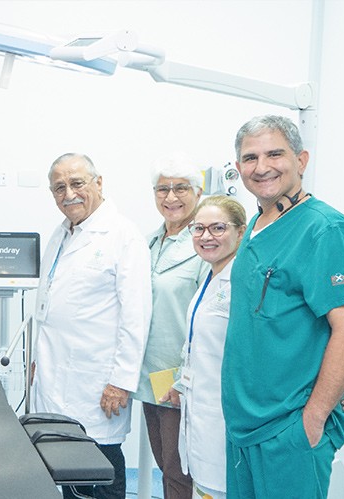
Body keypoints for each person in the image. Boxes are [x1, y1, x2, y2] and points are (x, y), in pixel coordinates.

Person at [221, 115, 344, 498]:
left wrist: (313, 419)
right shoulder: (255, 227)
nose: (261, 167)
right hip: (244, 426)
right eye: (250, 158)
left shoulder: (326, 230)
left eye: (275, 154)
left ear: (301, 160)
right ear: (238, 168)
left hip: (289, 430)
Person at [32, 153, 152, 499]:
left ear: (98, 183)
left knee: (100, 468)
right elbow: (51, 305)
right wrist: (38, 361)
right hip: (55, 374)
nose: (68, 194)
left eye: (77, 183)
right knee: (67, 466)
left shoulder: (123, 235)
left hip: (97, 383)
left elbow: (136, 315)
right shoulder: (62, 234)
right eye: (59, 188)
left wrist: (121, 381)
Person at [161, 195, 247, 499]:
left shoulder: (241, 282)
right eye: (198, 229)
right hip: (201, 411)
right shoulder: (210, 278)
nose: (206, 236)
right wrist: (181, 383)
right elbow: (199, 345)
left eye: (218, 228)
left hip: (224, 416)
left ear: (241, 231)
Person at [135, 153, 208, 499]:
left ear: (198, 192)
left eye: (181, 188)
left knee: (180, 471)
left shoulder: (205, 244)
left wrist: (186, 378)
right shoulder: (149, 242)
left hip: (184, 376)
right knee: (166, 465)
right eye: (162, 189)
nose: (171, 197)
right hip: (151, 373)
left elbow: (208, 319)